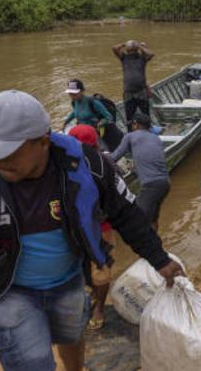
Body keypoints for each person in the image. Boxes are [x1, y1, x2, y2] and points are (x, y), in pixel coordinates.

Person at [0, 90, 183, 371]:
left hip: (68, 281)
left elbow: (126, 213)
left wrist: (160, 260)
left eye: (6, 152)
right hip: (6, 290)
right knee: (32, 362)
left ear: (43, 142)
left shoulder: (86, 163)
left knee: (71, 337)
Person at [68, 124, 115, 331]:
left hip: (100, 225)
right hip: (77, 226)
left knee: (101, 270)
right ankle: (94, 300)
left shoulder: (103, 165)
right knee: (88, 269)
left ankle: (99, 308)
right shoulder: (63, 167)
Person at [111, 112, 170, 231]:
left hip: (151, 186)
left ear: (136, 125)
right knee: (152, 219)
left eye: (132, 124)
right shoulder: (156, 138)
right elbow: (154, 159)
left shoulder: (130, 136)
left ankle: (151, 248)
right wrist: (137, 167)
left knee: (138, 220)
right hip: (165, 184)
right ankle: (157, 244)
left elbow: (114, 157)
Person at [112, 40, 154, 128]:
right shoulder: (124, 58)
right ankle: (131, 134)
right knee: (129, 118)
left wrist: (139, 46)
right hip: (128, 93)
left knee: (145, 115)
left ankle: (147, 131)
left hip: (141, 92)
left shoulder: (142, 58)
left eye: (133, 50)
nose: (131, 52)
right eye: (130, 50)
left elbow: (151, 54)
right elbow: (114, 48)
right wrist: (124, 44)